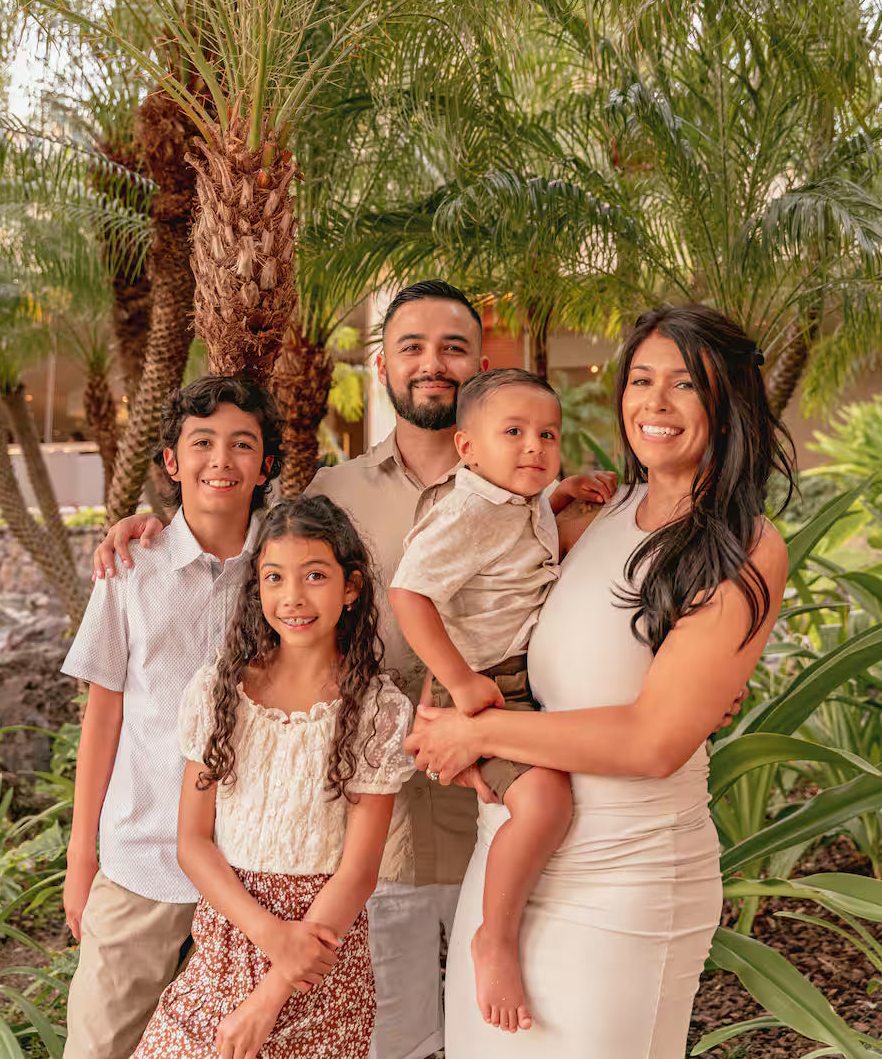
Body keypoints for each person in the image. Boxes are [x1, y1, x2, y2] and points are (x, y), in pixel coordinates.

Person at [92, 280, 614, 1059]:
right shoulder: (332, 492)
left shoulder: (532, 489)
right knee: (392, 1040)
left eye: (454, 348)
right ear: (382, 367)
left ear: (479, 367)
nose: (432, 363)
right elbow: (257, 561)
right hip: (370, 839)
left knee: (515, 1035)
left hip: (496, 806)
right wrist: (150, 529)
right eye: (412, 347)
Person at [406, 304, 794, 1058]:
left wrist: (476, 732)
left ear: (729, 403)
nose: (654, 403)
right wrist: (451, 717)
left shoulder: (742, 545)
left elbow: (652, 741)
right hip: (511, 862)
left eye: (685, 384)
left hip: (625, 882)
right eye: (640, 380)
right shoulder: (602, 511)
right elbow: (493, 616)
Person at [134, 495, 414, 1059]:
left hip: (321, 961)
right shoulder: (218, 690)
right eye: (274, 578)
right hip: (226, 943)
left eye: (315, 576)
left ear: (351, 587)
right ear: (256, 587)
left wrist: (271, 994)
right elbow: (193, 843)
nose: (293, 597)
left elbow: (358, 874)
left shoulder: (376, 709)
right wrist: (270, 936)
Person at [61, 374, 284, 1059]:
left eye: (243, 444)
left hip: (254, 871)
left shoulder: (288, 570)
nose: (222, 460)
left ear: (266, 466)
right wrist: (81, 854)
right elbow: (103, 717)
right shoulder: (131, 567)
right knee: (101, 1045)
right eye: (202, 442)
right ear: (171, 460)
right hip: (142, 861)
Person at [389, 369, 574, 1034]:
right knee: (544, 802)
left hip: (511, 682)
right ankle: (493, 939)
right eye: (514, 432)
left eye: (548, 435)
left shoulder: (515, 500)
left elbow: (513, 550)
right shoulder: (468, 510)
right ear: (466, 448)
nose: (535, 447)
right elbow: (409, 593)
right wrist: (459, 681)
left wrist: (558, 500)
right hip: (485, 684)